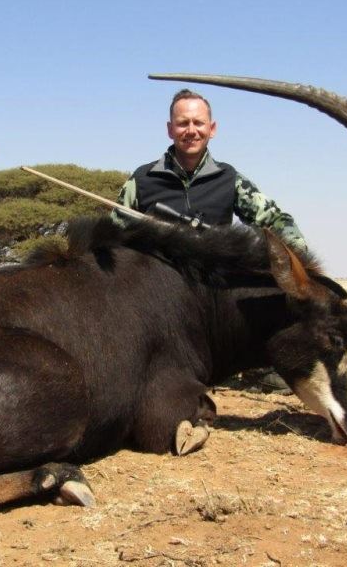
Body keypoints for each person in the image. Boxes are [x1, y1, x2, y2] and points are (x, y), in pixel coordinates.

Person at [113, 88, 306, 393]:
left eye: (198, 123)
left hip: (216, 300)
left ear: (212, 129)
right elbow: (114, 236)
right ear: (170, 129)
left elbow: (275, 220)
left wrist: (299, 263)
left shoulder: (230, 178)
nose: (191, 130)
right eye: (183, 123)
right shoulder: (142, 179)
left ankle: (258, 368)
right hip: (159, 297)